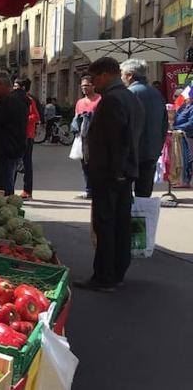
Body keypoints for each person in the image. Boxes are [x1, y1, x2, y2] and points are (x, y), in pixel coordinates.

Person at [76, 57, 144, 292]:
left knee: (106, 224)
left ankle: (104, 276)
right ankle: (117, 272)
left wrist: (115, 171)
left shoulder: (112, 100)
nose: (93, 84)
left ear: (106, 74)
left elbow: (117, 141)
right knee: (120, 223)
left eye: (94, 78)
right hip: (124, 172)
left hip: (111, 173)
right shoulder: (130, 97)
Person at [121, 59, 169, 197]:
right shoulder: (157, 94)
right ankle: (141, 219)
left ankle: (127, 218)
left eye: (122, 74)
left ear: (130, 75)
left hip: (131, 153)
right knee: (144, 195)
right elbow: (164, 124)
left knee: (123, 194)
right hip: (151, 153)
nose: (121, 77)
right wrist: (157, 147)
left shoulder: (129, 93)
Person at [0, 72, 28, 196]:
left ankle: (8, 209)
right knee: (1, 184)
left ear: (2, 85)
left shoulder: (10, 102)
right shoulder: (6, 101)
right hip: (3, 150)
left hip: (4, 151)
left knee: (3, 188)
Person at [73, 75, 102, 199]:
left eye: (87, 85)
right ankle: (88, 189)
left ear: (93, 85)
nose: (84, 88)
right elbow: (75, 118)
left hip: (97, 138)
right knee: (85, 164)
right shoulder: (80, 102)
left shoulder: (100, 100)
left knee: (97, 164)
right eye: (82, 86)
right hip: (83, 138)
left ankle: (98, 189)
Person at [13, 79, 41, 200]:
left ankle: (27, 190)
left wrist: (23, 119)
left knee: (26, 163)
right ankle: (10, 188)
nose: (14, 88)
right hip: (16, 135)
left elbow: (36, 116)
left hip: (27, 136)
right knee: (13, 162)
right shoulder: (14, 99)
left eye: (16, 86)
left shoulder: (29, 100)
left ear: (23, 88)